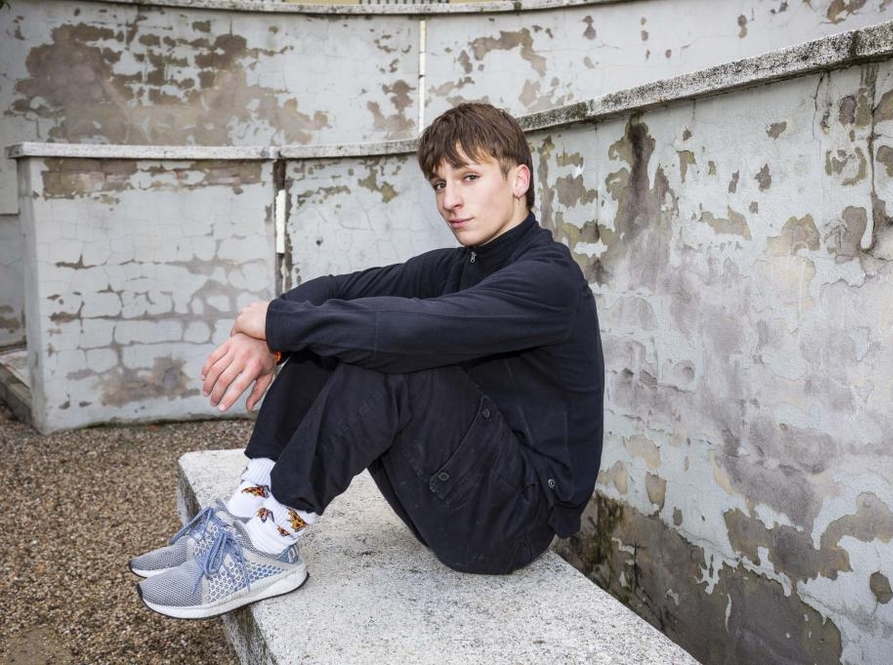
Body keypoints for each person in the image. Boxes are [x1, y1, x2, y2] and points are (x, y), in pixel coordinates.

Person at [130, 102, 605, 620]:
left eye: (469, 177)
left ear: (519, 180)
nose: (451, 199)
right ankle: (253, 500)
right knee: (340, 331)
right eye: (440, 184)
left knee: (389, 355)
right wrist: (272, 337)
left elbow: (415, 331)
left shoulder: (548, 279)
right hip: (453, 497)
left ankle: (268, 542)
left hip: (513, 522)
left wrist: (278, 323)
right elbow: (342, 290)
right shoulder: (459, 265)